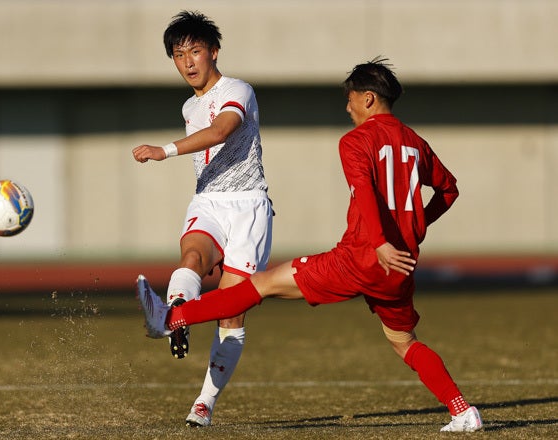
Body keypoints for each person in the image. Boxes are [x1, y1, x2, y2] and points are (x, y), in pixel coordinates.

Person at [137, 58, 483, 432]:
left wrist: (382, 242)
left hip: (360, 258)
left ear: (368, 99)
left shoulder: (356, 140)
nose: (347, 107)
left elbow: (365, 193)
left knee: (261, 285)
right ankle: (462, 410)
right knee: (404, 341)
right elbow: (449, 189)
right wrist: (412, 229)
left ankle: (172, 318)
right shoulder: (415, 142)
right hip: (399, 266)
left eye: (350, 99)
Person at [132, 11, 273, 427]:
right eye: (179, 55)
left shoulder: (238, 89)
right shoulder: (187, 105)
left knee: (232, 314)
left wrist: (165, 150)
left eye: (195, 51)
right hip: (208, 201)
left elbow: (222, 130)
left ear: (213, 51)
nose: (189, 61)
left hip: (249, 208)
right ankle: (169, 315)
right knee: (191, 257)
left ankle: (204, 403)